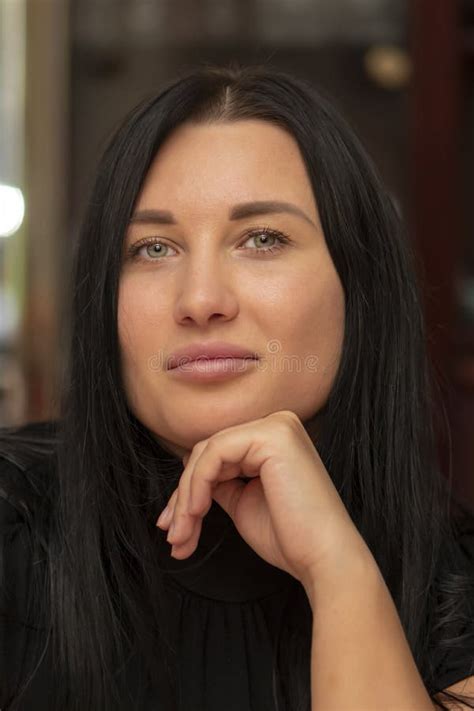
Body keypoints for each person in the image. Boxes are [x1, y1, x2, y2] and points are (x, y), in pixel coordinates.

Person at [0, 62, 473, 711]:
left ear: (358, 290)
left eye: (262, 238)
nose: (200, 300)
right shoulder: (11, 526)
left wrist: (339, 572)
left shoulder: (456, 584)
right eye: (153, 249)